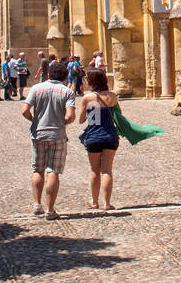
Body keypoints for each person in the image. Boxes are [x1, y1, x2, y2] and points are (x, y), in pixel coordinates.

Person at [21, 59, 76, 219]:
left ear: (49, 74)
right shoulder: (67, 92)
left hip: (38, 133)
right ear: (65, 77)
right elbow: (71, 116)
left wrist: (34, 121)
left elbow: (24, 110)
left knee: (38, 169)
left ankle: (37, 204)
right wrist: (63, 122)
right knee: (53, 171)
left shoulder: (37, 88)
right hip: (57, 135)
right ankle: (50, 210)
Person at [78, 67, 119, 212]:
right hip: (110, 136)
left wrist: (92, 112)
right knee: (107, 170)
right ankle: (107, 203)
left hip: (94, 136)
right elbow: (115, 116)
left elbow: (82, 120)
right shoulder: (112, 96)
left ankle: (95, 202)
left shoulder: (89, 98)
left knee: (95, 170)